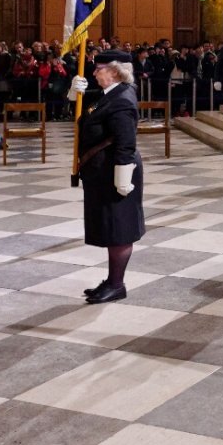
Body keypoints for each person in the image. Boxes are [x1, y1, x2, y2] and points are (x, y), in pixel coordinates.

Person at [68, 51, 145, 304]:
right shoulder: (108, 95)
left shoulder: (122, 99)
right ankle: (112, 280)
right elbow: (88, 116)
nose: (94, 72)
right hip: (102, 172)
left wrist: (123, 177)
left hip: (116, 172)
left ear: (114, 71)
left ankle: (117, 284)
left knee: (119, 227)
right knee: (111, 225)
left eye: (98, 68)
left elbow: (126, 142)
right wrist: (73, 95)